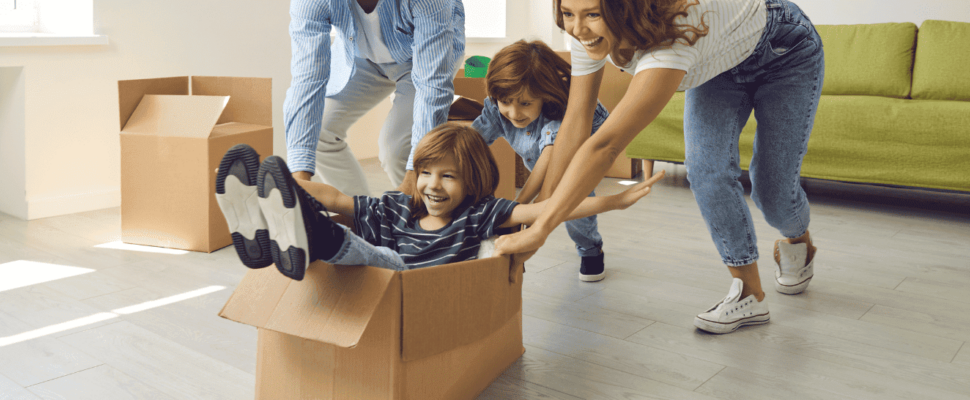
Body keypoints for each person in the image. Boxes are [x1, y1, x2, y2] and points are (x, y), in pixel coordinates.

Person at [494, 0, 824, 334]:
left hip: (783, 50)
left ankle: (798, 241)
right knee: (706, 171)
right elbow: (576, 122)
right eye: (567, 14)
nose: (578, 29)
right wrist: (541, 214)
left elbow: (605, 146)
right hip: (717, 63)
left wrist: (541, 229)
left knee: (772, 190)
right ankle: (750, 294)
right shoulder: (585, 36)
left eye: (593, 14)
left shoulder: (672, 36)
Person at [215, 124, 664, 280]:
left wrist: (613, 202)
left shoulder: (478, 217)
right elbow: (333, 195)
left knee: (378, 256)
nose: (432, 185)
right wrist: (288, 186)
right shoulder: (396, 208)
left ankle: (299, 232)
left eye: (449, 176)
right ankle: (265, 217)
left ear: (473, 183)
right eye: (426, 172)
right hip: (356, 282)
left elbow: (544, 210)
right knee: (333, 220)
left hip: (408, 288)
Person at [283, 0, 466, 197]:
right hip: (362, 57)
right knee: (319, 129)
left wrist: (413, 182)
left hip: (422, 57)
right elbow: (307, 80)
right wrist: (299, 181)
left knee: (397, 149)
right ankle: (359, 217)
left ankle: (423, 215)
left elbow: (432, 85)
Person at [470, 39, 614, 282]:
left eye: (525, 103)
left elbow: (550, 159)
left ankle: (590, 249)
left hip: (580, 152)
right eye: (506, 103)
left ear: (544, 98)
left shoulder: (557, 111)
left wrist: (518, 206)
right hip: (538, 158)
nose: (514, 114)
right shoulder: (497, 108)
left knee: (573, 205)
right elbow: (471, 143)